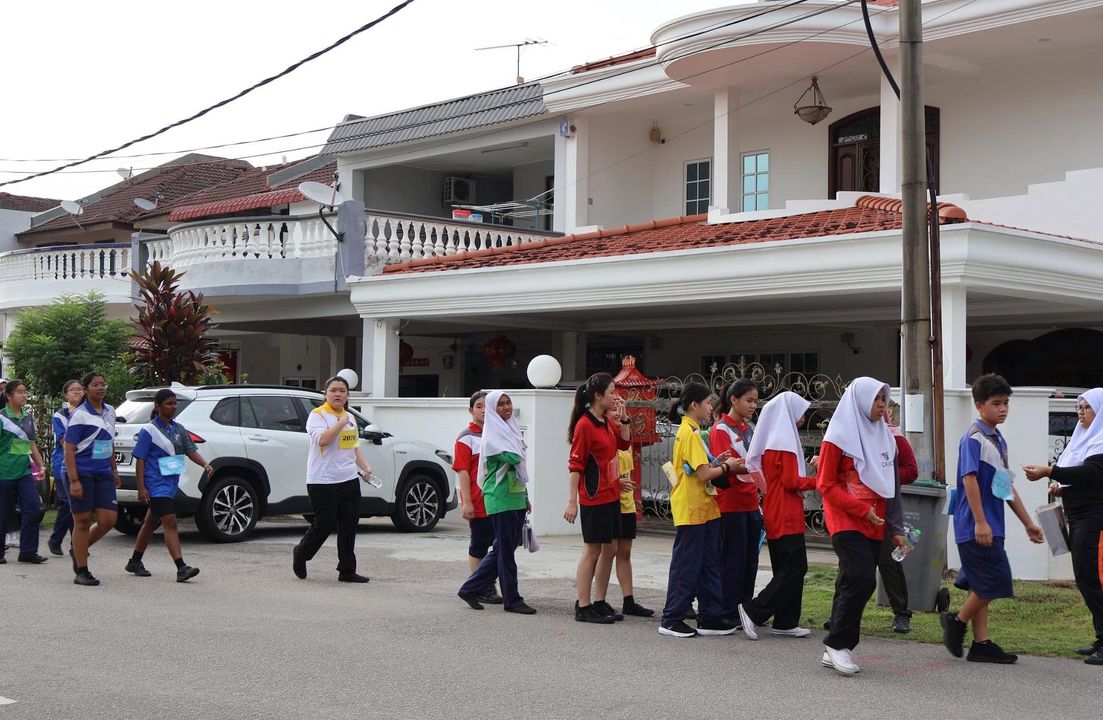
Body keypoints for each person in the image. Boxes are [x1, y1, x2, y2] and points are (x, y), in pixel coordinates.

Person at [941, 374, 1044, 664]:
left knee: (981, 583)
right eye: (996, 403)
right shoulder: (973, 438)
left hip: (991, 524)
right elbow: (969, 479)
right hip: (976, 525)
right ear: (979, 406)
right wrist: (980, 521)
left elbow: (1004, 486)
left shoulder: (997, 439)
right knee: (996, 580)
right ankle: (956, 622)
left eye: (1006, 403)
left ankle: (981, 644)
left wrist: (1027, 523)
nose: (1003, 409)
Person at [816, 377, 899, 675]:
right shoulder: (837, 437)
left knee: (849, 581)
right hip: (845, 518)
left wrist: (895, 528)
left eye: (884, 400)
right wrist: (861, 510)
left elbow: (893, 482)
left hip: (874, 522)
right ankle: (839, 644)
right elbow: (825, 484)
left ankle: (834, 647)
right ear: (860, 401)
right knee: (862, 578)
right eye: (876, 400)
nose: (881, 406)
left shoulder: (883, 436)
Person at [1023, 387, 1103, 666]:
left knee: (1091, 577)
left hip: (1095, 517)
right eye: (1078, 408)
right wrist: (1062, 488)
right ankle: (1100, 637)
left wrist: (1050, 472)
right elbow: (1080, 477)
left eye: (1086, 408)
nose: (1081, 413)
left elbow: (1092, 474)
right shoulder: (1084, 438)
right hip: (1079, 514)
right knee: (1085, 576)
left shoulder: (1102, 439)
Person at [659, 381, 738, 638]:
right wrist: (727, 468)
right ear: (695, 405)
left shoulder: (693, 430)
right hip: (692, 507)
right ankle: (672, 618)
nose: (710, 407)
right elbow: (704, 474)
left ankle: (710, 617)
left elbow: (699, 468)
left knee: (709, 564)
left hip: (704, 507)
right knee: (687, 564)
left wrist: (719, 462)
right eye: (707, 403)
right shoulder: (690, 433)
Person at [741, 391, 818, 638]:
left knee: (786, 567)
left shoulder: (776, 440)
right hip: (785, 512)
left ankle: (785, 621)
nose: (803, 417)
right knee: (795, 568)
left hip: (780, 509)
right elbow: (790, 480)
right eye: (801, 412)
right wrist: (818, 481)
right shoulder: (782, 443)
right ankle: (754, 610)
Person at [458, 391, 536, 615]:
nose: (506, 407)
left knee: (505, 548)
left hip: (514, 496)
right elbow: (514, 458)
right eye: (500, 404)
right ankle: (512, 600)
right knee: (505, 553)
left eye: (508, 403)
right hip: (499, 498)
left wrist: (525, 497)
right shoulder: (493, 435)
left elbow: (519, 469)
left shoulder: (510, 429)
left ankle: (470, 588)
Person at [564, 372, 633, 624]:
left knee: (611, 549)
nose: (616, 396)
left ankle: (599, 602)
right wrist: (572, 501)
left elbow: (623, 446)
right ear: (597, 395)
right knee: (592, 551)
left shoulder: (604, 421)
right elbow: (576, 465)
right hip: (594, 497)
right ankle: (583, 606)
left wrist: (624, 418)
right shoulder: (585, 424)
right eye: (612, 392)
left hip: (611, 494)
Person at [126, 389, 214, 582]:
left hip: (170, 482)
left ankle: (135, 561)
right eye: (169, 403)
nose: (173, 407)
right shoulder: (149, 431)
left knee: (150, 523)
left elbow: (190, 451)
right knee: (170, 522)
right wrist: (141, 487)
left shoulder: (179, 429)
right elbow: (140, 459)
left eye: (175, 403)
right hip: (156, 484)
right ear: (158, 407)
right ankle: (181, 567)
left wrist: (205, 464)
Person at [293, 376, 373, 583]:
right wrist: (341, 423)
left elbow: (353, 446)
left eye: (342, 391)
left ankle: (346, 569)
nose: (338, 394)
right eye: (333, 390)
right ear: (325, 394)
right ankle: (301, 553)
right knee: (324, 524)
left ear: (347, 395)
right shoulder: (317, 415)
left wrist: (365, 468)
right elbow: (323, 440)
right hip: (322, 479)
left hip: (348, 479)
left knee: (349, 525)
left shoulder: (350, 418)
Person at [709, 379, 764, 639]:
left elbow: (753, 461)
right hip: (730, 504)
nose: (753, 405)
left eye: (755, 401)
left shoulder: (749, 428)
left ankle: (746, 608)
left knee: (750, 561)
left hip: (751, 501)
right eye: (749, 400)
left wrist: (748, 465)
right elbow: (728, 465)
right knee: (732, 560)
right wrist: (747, 466)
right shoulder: (721, 429)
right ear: (733, 400)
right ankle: (728, 610)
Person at [63, 371, 121, 586]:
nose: (101, 388)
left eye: (103, 384)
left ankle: (77, 549)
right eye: (96, 385)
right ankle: (82, 569)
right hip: (83, 472)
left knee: (108, 521)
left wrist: (114, 470)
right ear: (86, 389)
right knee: (83, 521)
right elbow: (69, 450)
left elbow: (109, 442)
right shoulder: (79, 415)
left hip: (104, 472)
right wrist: (74, 480)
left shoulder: (110, 412)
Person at [454, 391, 502, 605]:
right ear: (471, 410)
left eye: (487, 406)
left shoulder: (499, 433)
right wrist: (467, 502)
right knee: (479, 545)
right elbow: (462, 471)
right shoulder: (466, 437)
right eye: (479, 406)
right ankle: (479, 586)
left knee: (498, 545)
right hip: (478, 500)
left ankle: (487, 584)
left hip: (498, 500)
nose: (484, 410)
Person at [878, 401, 919, 633]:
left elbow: (911, 470)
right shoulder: (853, 436)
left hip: (886, 510)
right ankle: (840, 615)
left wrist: (886, 475)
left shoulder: (894, 436)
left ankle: (901, 614)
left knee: (889, 562)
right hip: (858, 509)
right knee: (851, 566)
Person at [0, 380, 48, 565]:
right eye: (20, 392)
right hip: (3, 472)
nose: (24, 395)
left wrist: (41, 464)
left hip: (24, 472)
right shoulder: (2, 417)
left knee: (33, 508)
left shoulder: (28, 417)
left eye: (25, 392)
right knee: (3, 513)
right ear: (8, 396)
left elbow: (31, 444)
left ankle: (28, 551)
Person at [613, 447, 653, 617]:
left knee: (625, 552)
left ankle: (628, 601)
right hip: (612, 503)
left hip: (627, 504)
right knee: (606, 553)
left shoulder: (626, 442)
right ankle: (597, 600)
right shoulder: (607, 436)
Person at [47, 380, 84, 556]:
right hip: (63, 462)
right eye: (73, 390)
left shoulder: (88, 412)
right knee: (69, 503)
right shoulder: (60, 416)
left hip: (83, 463)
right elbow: (64, 441)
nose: (77, 392)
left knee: (71, 505)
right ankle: (69, 542)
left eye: (80, 389)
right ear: (66, 395)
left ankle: (70, 542)